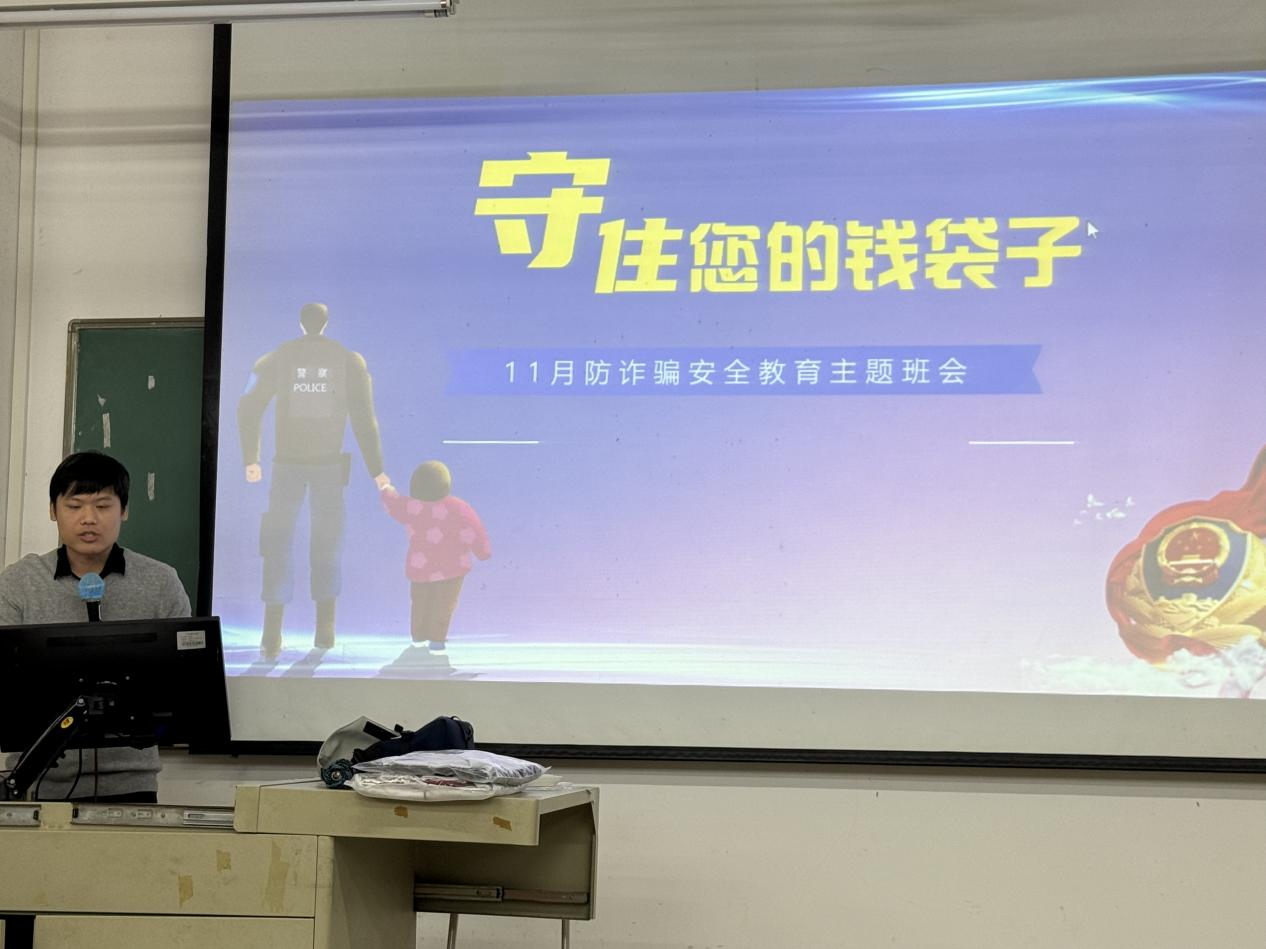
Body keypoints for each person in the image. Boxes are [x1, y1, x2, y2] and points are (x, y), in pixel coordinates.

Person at [0, 451, 190, 802]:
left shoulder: (161, 582)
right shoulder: (19, 583)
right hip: (38, 786)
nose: (89, 518)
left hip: (132, 785)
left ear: (124, 510)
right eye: (74, 506)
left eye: (103, 506)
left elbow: (184, 684)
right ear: (53, 511)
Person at [237, 302, 389, 659]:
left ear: (301, 323)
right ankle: (325, 629)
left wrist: (251, 458)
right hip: (327, 467)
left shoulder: (277, 357)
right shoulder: (349, 361)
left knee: (277, 542)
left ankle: (271, 633)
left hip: (287, 465)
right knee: (327, 543)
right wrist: (377, 470)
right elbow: (365, 420)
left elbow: (248, 405)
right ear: (326, 322)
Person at [380, 460, 491, 651]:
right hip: (452, 570)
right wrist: (483, 552)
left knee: (420, 604)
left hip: (420, 569)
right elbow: (474, 530)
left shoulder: (412, 507)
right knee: (444, 606)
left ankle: (418, 638)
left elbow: (394, 504)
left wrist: (385, 487)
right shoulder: (458, 508)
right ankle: (437, 641)